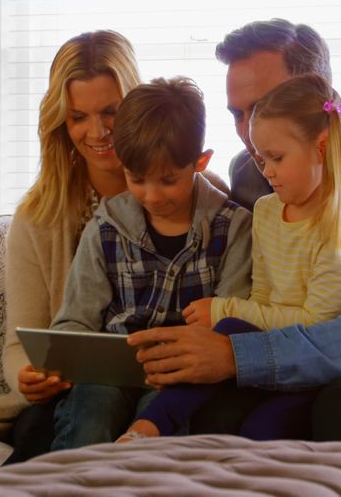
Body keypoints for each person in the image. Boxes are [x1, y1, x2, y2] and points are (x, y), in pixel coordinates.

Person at [126, 19, 341, 460]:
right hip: (292, 381)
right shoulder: (252, 175)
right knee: (219, 404)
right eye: (236, 113)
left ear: (315, 97)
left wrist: (238, 356)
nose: (249, 132)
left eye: (263, 106)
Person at [119, 75, 341, 442]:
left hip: (324, 367)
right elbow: (260, 297)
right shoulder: (265, 211)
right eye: (262, 159)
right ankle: (146, 429)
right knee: (222, 340)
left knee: (255, 409)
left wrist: (223, 309)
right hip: (270, 351)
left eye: (277, 158)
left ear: (322, 148)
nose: (267, 172)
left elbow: (316, 326)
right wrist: (230, 319)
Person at [50, 77, 253, 450]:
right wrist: (61, 359)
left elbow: (231, 321)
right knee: (89, 420)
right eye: (137, 179)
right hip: (107, 376)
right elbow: (75, 319)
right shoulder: (106, 225)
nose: (152, 195)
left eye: (168, 180)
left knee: (160, 436)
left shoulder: (233, 227)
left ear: (201, 162)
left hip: (181, 379)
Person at [0, 30, 142, 463]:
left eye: (112, 111)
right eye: (78, 116)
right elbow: (17, 344)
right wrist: (27, 375)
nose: (97, 132)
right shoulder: (37, 217)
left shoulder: (194, 194)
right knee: (46, 428)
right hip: (71, 396)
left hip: (164, 391)